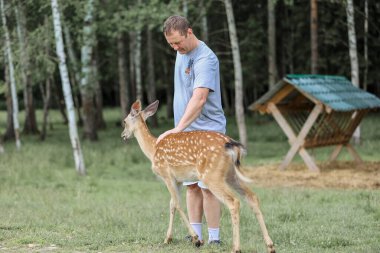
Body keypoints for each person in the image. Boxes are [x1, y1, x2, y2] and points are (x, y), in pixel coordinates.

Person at [157, 15, 226, 245]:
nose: (175, 48)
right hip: (186, 132)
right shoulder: (181, 51)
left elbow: (200, 98)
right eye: (171, 45)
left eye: (178, 42)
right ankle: (195, 235)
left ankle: (214, 240)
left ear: (189, 31)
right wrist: (181, 130)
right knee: (192, 186)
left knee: (209, 187)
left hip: (207, 132)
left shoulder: (205, 59)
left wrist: (177, 128)